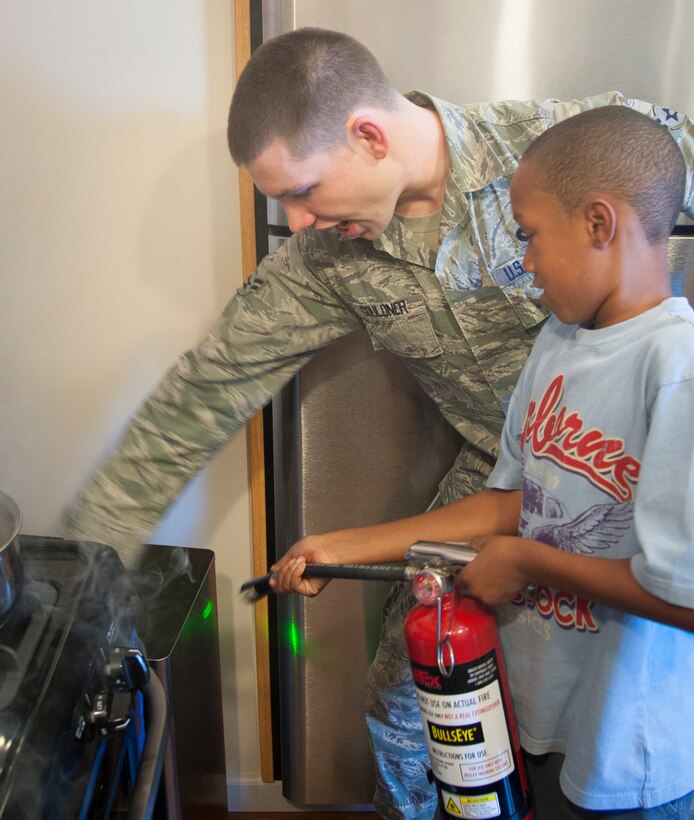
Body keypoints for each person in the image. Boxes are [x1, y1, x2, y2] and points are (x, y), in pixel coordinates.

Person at [62, 27, 694, 819]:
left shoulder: (554, 151)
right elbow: (202, 392)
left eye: (306, 190)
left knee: (626, 724)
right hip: (506, 479)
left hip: (650, 480)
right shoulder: (323, 259)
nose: (298, 221)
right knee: (404, 689)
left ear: (367, 136)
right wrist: (80, 580)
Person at [272, 105, 694, 819]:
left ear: (599, 223)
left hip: (629, 754)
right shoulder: (559, 342)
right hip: (541, 714)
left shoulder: (675, 367)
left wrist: (526, 563)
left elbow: (681, 597)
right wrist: (340, 546)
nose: (523, 262)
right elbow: (509, 503)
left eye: (529, 236)